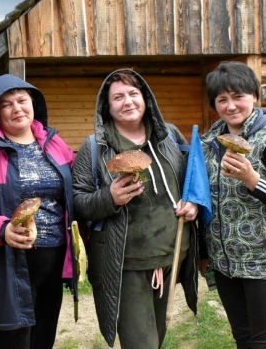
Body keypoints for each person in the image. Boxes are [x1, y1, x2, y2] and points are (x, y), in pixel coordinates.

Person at [72, 69, 199, 348]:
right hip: (124, 264)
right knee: (141, 343)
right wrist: (110, 198)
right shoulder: (94, 148)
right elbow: (78, 203)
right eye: (118, 97)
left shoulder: (170, 137)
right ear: (107, 106)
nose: (127, 101)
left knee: (158, 334)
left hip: (172, 254)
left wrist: (194, 204)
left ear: (146, 98)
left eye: (133, 94)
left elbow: (193, 182)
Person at [0, 74, 77, 349]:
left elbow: (74, 197)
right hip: (7, 263)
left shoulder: (55, 144)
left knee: (42, 340)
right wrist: (2, 228)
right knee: (13, 343)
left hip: (53, 261)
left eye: (22, 100)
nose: (17, 108)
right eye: (6, 104)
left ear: (33, 102)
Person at [200, 61, 266, 348]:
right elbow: (205, 203)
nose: (230, 106)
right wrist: (204, 252)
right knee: (243, 339)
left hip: (265, 260)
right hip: (225, 261)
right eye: (222, 99)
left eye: (238, 96)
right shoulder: (208, 143)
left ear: (254, 96)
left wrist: (252, 179)